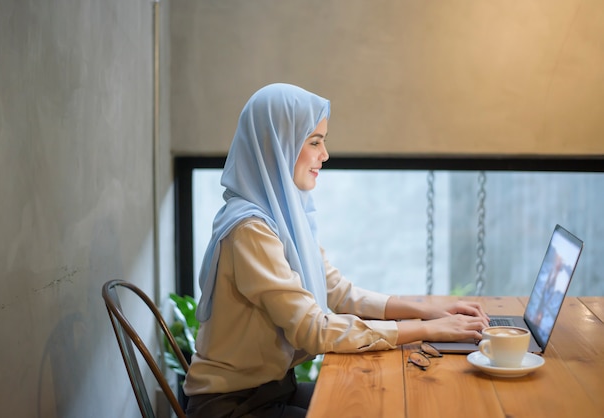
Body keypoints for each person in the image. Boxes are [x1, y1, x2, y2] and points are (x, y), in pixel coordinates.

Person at [183, 83, 489, 417]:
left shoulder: (282, 215)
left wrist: (428, 311)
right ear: (278, 146)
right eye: (314, 141)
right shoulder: (250, 230)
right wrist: (429, 330)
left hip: (272, 388)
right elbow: (312, 330)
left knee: (373, 401)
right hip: (232, 405)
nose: (324, 155)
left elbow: (338, 292)